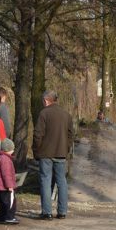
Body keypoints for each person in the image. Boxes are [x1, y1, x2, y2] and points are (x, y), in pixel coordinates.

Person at [32, 90, 74, 220]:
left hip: (46, 153)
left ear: (46, 100)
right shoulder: (66, 114)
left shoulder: (44, 114)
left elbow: (38, 134)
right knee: (62, 181)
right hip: (61, 152)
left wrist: (36, 150)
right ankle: (62, 212)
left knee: (46, 180)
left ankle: (47, 212)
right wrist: (65, 148)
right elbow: (71, 135)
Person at [0, 138, 19, 224]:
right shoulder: (6, 160)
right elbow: (6, 174)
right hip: (5, 187)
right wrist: (10, 185)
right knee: (10, 202)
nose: (13, 150)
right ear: (9, 149)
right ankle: (9, 217)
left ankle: (1, 217)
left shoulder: (0, 157)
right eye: (12, 149)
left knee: (2, 203)